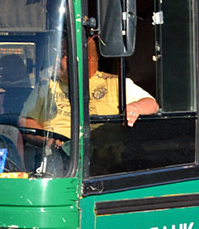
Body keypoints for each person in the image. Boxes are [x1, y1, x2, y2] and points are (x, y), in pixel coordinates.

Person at [19, 35, 158, 147]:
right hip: (55, 157)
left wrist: (135, 107)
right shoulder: (46, 85)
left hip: (102, 158)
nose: (56, 59)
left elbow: (152, 104)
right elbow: (25, 120)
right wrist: (47, 141)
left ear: (85, 59)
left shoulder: (115, 83)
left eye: (62, 54)